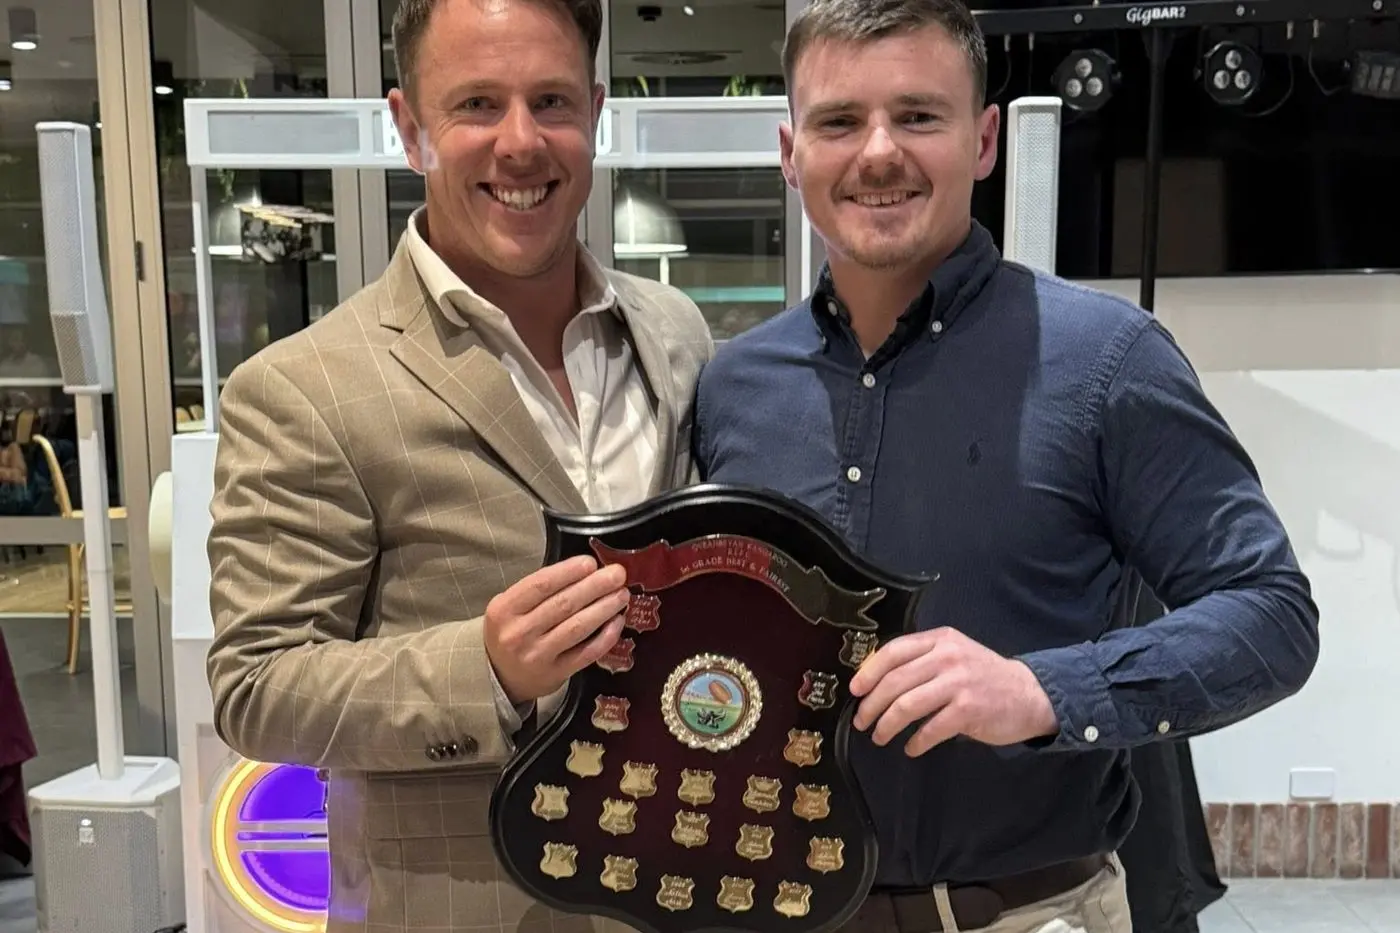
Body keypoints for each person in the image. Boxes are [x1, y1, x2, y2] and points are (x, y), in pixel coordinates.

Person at [691, 1, 1320, 931]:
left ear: (984, 138)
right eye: (838, 121)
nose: (877, 152)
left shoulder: (1109, 362)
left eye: (917, 116)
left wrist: (1040, 691)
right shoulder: (731, 386)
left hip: (1034, 914)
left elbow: (1272, 615)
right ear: (791, 151)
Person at [205, 0, 712, 930]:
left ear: (594, 113)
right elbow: (255, 685)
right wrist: (483, 668)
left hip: (673, 893)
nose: (520, 143)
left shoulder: (673, 334)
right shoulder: (303, 387)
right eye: (477, 103)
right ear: (409, 127)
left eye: (551, 101)